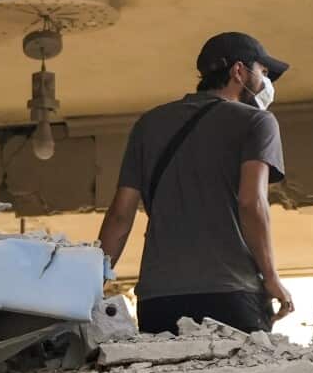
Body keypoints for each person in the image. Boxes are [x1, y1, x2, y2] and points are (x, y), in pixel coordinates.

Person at [97, 32, 294, 334]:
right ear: (238, 71)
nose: (267, 83)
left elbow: (120, 215)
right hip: (230, 292)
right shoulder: (257, 122)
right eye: (263, 72)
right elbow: (251, 202)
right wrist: (271, 277)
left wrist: (92, 284)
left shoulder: (148, 125)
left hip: (158, 297)